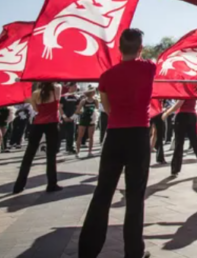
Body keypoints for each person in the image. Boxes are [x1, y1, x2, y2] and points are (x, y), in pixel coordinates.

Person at [79, 29, 155, 258]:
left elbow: (107, 108)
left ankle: (87, 251)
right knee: (135, 196)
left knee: (103, 192)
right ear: (140, 48)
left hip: (114, 135)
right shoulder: (149, 68)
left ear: (119, 48)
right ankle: (134, 252)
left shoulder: (106, 76)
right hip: (138, 135)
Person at [13, 82, 62, 194]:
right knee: (51, 155)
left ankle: (19, 185)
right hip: (52, 124)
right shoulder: (57, 88)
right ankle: (52, 184)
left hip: (38, 124)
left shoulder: (35, 93)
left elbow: (36, 110)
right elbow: (57, 104)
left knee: (29, 155)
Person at [164, 95, 197, 178]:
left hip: (182, 116)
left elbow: (179, 103)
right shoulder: (192, 91)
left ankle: (175, 170)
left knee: (179, 143)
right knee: (195, 142)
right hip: (192, 115)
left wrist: (167, 113)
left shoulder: (184, 90)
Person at [76, 88, 98, 158]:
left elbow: (97, 109)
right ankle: (77, 152)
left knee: (91, 136)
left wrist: (93, 114)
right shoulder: (84, 101)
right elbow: (78, 110)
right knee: (80, 136)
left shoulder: (95, 100)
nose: (94, 93)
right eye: (93, 92)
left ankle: (90, 152)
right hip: (83, 120)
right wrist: (84, 113)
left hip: (92, 120)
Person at [59, 84, 79, 154]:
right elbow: (60, 107)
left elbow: (78, 108)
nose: (76, 87)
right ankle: (56, 148)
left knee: (71, 133)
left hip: (72, 118)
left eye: (76, 86)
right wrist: (64, 117)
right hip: (63, 118)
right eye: (74, 86)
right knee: (60, 133)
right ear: (70, 87)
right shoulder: (64, 96)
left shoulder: (77, 97)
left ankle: (70, 148)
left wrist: (73, 117)